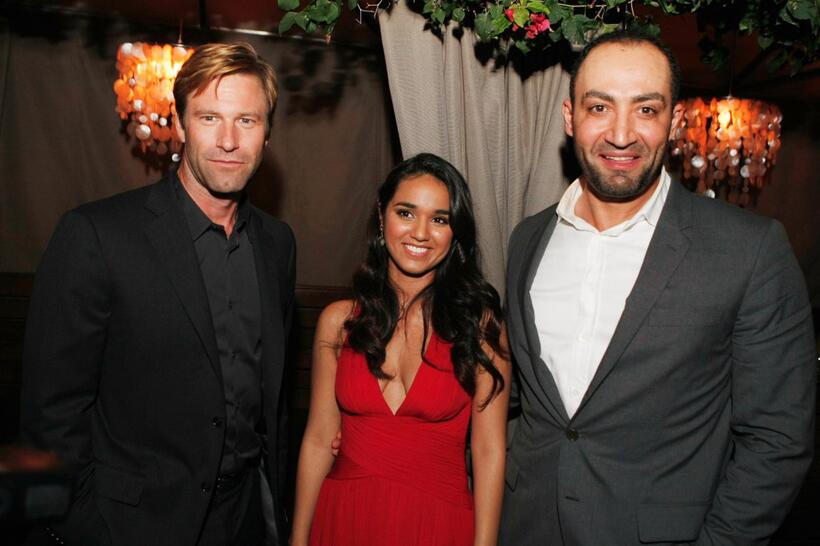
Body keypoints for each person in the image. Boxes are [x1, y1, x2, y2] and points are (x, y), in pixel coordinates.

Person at [500, 29, 815, 545]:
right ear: (569, 117)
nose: (621, 134)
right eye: (599, 107)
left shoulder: (748, 249)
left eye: (645, 110)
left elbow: (777, 440)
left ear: (673, 120)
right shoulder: (527, 239)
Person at [20, 42, 295, 546]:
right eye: (210, 117)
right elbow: (51, 413)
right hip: (132, 527)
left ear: (268, 132)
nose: (229, 140)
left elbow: (269, 404)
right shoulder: (97, 235)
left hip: (246, 522)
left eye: (247, 121)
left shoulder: (277, 245)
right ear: (181, 122)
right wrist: (83, 528)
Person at [290, 153, 511, 546]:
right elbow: (319, 440)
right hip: (343, 519)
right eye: (406, 213)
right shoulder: (339, 323)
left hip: (439, 525)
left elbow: (489, 450)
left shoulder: (480, 328)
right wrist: (298, 540)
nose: (420, 233)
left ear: (455, 231)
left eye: (439, 219)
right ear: (381, 216)